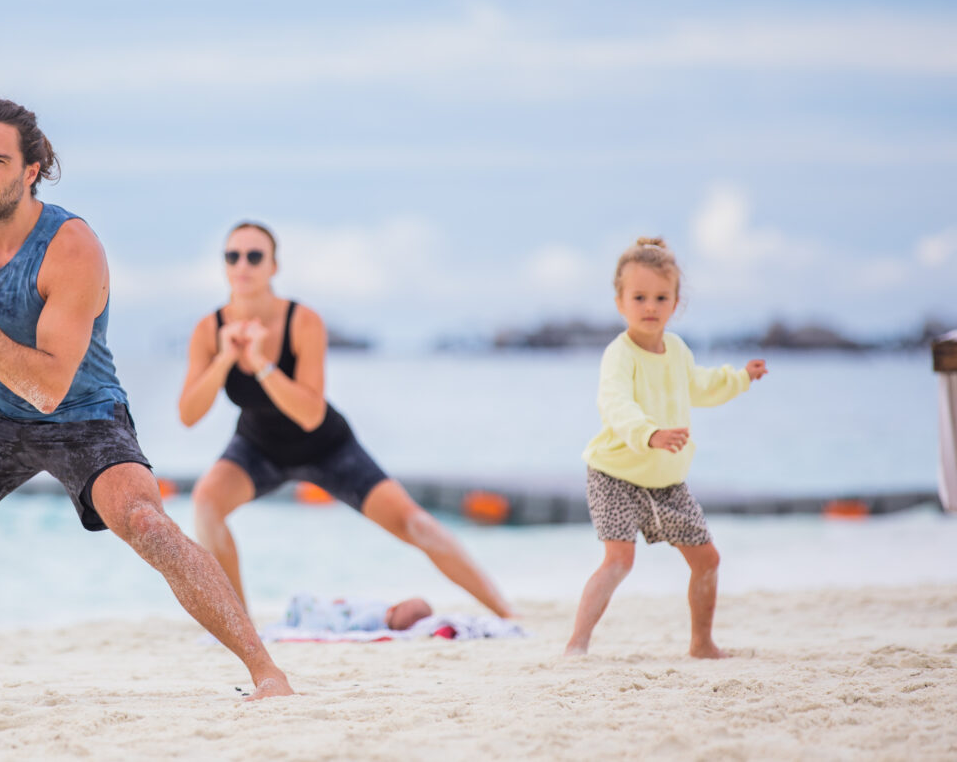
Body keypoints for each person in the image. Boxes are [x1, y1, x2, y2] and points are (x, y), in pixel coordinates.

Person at [0, 99, 291, 709]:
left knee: (146, 522)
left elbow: (50, 388)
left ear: (31, 169)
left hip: (82, 410)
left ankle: (267, 672)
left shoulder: (72, 246)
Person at [177, 220, 515, 619]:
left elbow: (309, 413)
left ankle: (508, 615)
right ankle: (241, 625)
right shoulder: (209, 329)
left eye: (254, 256)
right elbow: (189, 415)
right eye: (233, 256)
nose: (243, 265)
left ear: (274, 267)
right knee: (205, 504)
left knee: (416, 524)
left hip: (326, 445)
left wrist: (260, 363)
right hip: (257, 445)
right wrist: (226, 360)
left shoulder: (303, 322)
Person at [564, 237, 768, 659]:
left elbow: (703, 385)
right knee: (619, 560)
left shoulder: (676, 350)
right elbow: (615, 403)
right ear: (620, 302)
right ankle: (576, 645)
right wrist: (649, 434)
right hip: (614, 474)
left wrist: (741, 377)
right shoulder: (618, 355)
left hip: (666, 481)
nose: (650, 306)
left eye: (661, 297)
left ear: (676, 303)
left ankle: (702, 643)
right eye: (639, 297)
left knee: (707, 559)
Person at [283, 594, 435, 632]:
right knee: (304, 604)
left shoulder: (376, 615)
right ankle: (289, 624)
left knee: (302, 599)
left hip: (335, 618)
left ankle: (288, 625)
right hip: (338, 609)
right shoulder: (379, 611)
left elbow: (354, 625)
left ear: (394, 607)